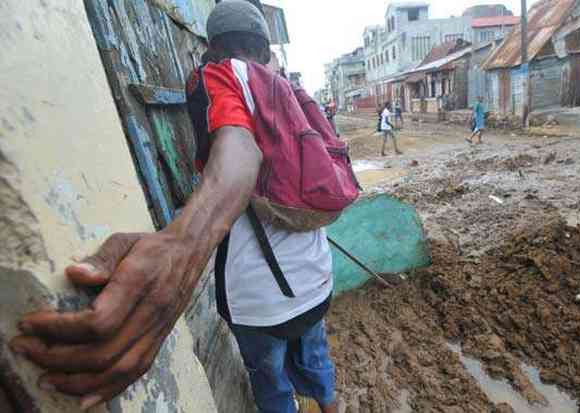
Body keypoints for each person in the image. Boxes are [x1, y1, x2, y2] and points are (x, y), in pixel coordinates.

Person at [10, 2, 340, 413]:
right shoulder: (293, 94)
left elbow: (239, 148)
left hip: (262, 296)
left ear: (214, 46)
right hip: (316, 274)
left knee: (270, 381)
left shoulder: (226, 75)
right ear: (264, 44)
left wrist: (184, 243)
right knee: (315, 357)